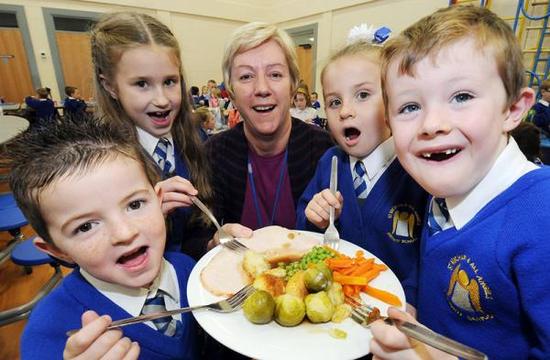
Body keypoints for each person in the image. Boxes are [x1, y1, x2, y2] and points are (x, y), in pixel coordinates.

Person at [369, 6, 550, 359]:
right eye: (409, 107)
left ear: (514, 108)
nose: (432, 124)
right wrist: (413, 320)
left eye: (461, 97)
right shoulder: (441, 195)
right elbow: (430, 282)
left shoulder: (541, 218)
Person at [7, 118, 198, 359]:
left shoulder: (188, 269)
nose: (124, 233)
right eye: (86, 226)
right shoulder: (48, 333)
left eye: (135, 204)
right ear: (56, 250)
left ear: (159, 199)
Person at [296, 27, 428, 308]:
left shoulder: (419, 170)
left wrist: (412, 303)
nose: (345, 111)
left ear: (394, 99)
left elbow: (429, 255)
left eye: (363, 95)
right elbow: (301, 228)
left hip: (396, 313)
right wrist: (313, 217)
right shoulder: (330, 162)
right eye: (334, 102)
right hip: (334, 309)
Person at [90, 12, 214, 259]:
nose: (161, 100)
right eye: (142, 84)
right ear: (110, 86)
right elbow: (92, 253)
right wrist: (143, 214)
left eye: (169, 81)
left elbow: (193, 231)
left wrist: (211, 244)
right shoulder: (97, 165)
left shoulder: (194, 138)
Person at [206, 22, 333, 233]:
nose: (262, 89)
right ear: (231, 91)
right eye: (246, 76)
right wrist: (215, 242)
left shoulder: (324, 150)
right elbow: (195, 239)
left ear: (293, 85)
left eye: (275, 74)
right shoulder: (213, 155)